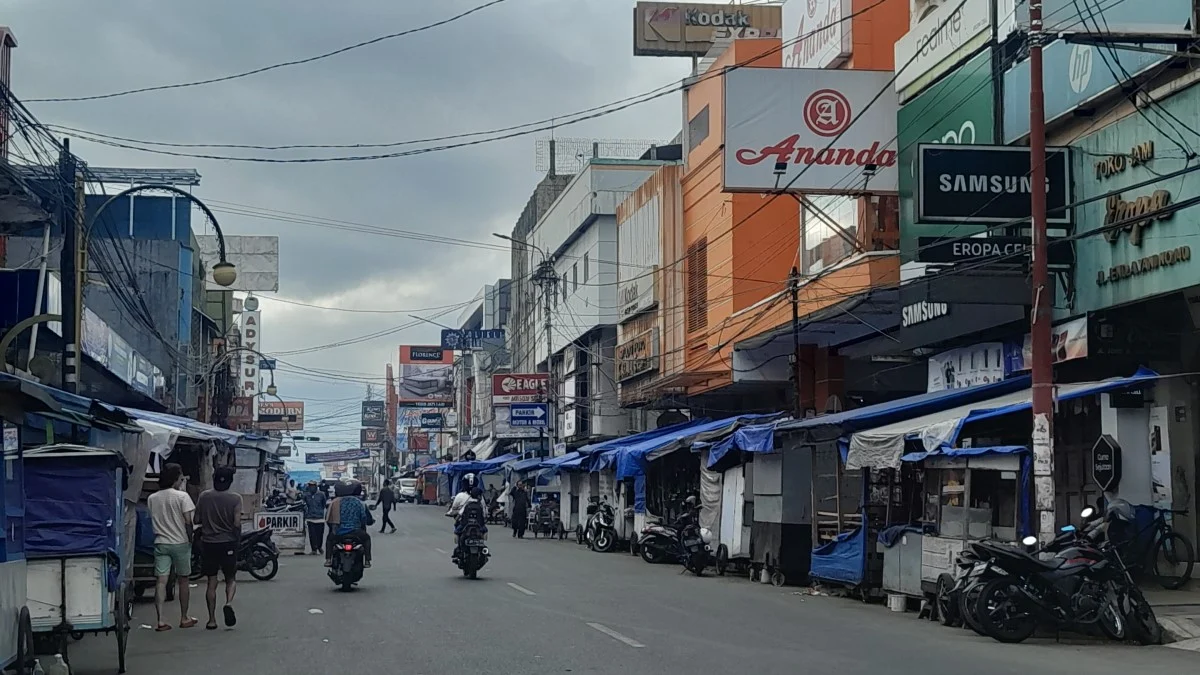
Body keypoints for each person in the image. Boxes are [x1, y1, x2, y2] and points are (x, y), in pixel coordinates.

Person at [147, 463, 196, 632]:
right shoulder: (183, 497)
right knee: (184, 580)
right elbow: (189, 522)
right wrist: (191, 540)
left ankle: (160, 620)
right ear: (176, 479)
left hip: (161, 542)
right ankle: (184, 617)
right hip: (181, 543)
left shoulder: (152, 498)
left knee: (161, 581)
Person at [194, 466, 242, 630]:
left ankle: (211, 619)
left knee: (211, 582)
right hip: (228, 542)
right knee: (230, 578)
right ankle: (228, 602)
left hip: (209, 543)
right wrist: (236, 537)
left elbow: (197, 519)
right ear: (230, 481)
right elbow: (236, 523)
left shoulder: (204, 496)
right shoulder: (235, 498)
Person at [326, 480, 373, 567]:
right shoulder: (359, 502)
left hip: (340, 532)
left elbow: (329, 519)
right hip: (356, 531)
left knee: (329, 539)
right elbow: (363, 517)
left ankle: (328, 559)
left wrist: (334, 529)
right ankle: (367, 560)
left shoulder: (336, 502)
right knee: (367, 539)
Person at [446, 476, 487, 562]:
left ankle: (459, 548)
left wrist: (451, 514)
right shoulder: (481, 500)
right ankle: (483, 547)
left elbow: (455, 510)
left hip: (465, 524)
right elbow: (485, 513)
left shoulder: (460, 496)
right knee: (484, 531)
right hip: (479, 525)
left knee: (457, 531)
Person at [301, 481, 327, 555]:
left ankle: (319, 547)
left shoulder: (321, 494)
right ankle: (314, 549)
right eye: (310, 486)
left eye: (313, 486)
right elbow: (304, 504)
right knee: (312, 535)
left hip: (320, 517)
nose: (311, 487)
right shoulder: (306, 495)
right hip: (310, 517)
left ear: (316, 486)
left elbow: (323, 504)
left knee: (320, 534)